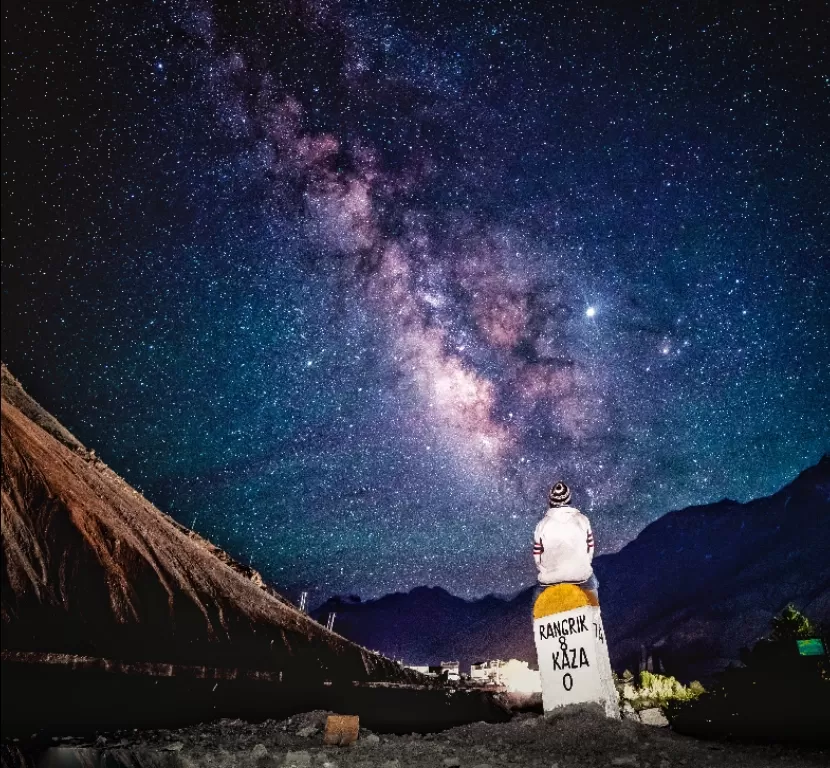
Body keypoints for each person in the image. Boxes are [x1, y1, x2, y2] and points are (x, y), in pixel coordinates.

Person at [532, 481, 598, 602]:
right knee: (593, 587)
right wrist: (584, 564)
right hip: (581, 578)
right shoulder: (582, 520)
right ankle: (593, 619)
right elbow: (590, 547)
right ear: (569, 499)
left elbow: (537, 556)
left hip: (550, 582)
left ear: (550, 501)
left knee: (536, 607)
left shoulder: (541, 525)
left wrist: (545, 570)